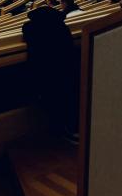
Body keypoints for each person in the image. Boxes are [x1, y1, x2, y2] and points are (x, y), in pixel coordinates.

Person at [22, 7, 79, 141]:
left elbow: (27, 29)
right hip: (66, 73)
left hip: (45, 77)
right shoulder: (63, 29)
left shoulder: (32, 30)